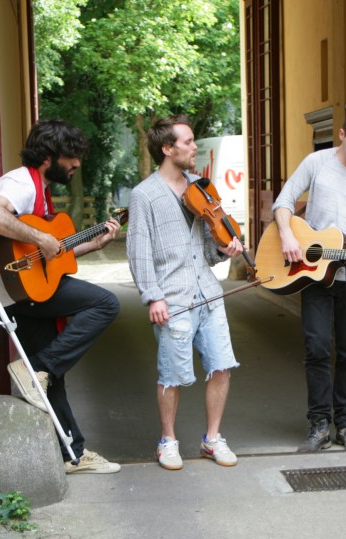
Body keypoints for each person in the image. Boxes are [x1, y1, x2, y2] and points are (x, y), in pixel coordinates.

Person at [0, 119, 121, 474]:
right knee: (105, 304)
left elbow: (48, 258)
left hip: (27, 290)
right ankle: (37, 368)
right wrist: (41, 237)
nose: (76, 164)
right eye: (72, 157)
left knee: (52, 379)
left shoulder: (38, 190)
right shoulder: (20, 183)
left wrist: (93, 244)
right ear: (49, 157)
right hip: (21, 293)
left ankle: (72, 454)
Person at [271, 109, 346, 452]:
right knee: (316, 348)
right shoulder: (316, 162)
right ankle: (318, 426)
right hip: (315, 273)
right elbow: (284, 201)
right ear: (341, 134)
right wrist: (287, 235)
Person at [127, 114, 242, 471]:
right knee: (171, 375)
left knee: (221, 366)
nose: (195, 147)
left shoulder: (201, 187)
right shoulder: (144, 195)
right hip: (173, 297)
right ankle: (168, 440)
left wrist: (225, 249)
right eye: (188, 142)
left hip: (208, 292)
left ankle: (212, 439)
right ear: (167, 148)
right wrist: (153, 295)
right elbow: (138, 251)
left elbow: (210, 246)